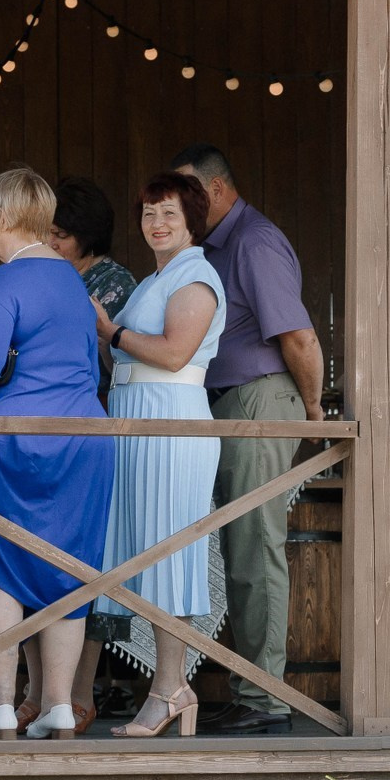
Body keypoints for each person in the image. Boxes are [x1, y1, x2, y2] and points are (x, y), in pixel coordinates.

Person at [0, 166, 116, 741]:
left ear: (6, 217)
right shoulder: (70, 279)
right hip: (83, 441)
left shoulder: (5, 281)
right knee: (67, 571)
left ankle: (4, 708)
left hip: (15, 443)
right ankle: (60, 704)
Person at [173, 143, 324, 736]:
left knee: (255, 547)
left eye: (184, 195)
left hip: (261, 398)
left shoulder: (254, 241)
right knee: (236, 549)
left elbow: (299, 338)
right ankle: (251, 691)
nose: (175, 208)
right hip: (230, 403)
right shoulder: (212, 248)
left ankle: (264, 699)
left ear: (213, 190)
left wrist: (311, 413)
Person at [95, 172, 227, 738]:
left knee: (170, 551)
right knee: (138, 553)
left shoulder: (196, 277)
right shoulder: (159, 278)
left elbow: (174, 354)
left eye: (169, 213)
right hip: (137, 420)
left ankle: (170, 688)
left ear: (192, 219)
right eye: (149, 213)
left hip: (172, 422)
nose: (157, 224)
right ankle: (167, 687)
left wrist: (110, 333)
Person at [29, 175, 139, 730]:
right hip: (49, 435)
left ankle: (78, 689)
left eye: (60, 235)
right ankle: (39, 692)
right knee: (36, 556)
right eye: (44, 233)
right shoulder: (44, 276)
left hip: (92, 431)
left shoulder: (113, 283)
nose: (50, 244)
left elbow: (109, 360)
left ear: (86, 237)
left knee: (91, 559)